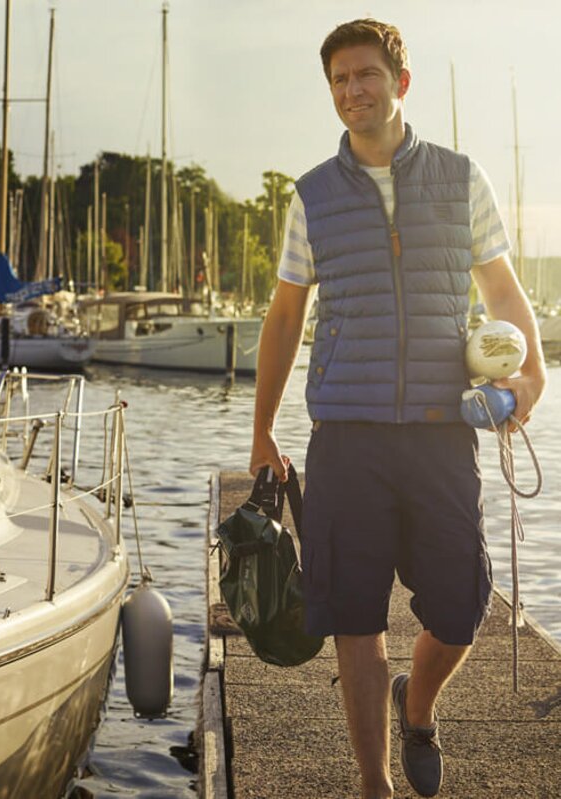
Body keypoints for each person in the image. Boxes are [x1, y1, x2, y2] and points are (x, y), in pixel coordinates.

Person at [250, 18, 547, 799]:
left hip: (441, 434)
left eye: (365, 75)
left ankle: (417, 704)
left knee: (461, 610)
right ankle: (375, 784)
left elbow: (503, 291)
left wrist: (532, 376)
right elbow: (285, 316)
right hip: (346, 438)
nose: (352, 91)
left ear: (400, 82)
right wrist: (262, 428)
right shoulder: (312, 196)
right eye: (339, 80)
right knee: (355, 618)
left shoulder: (461, 178)